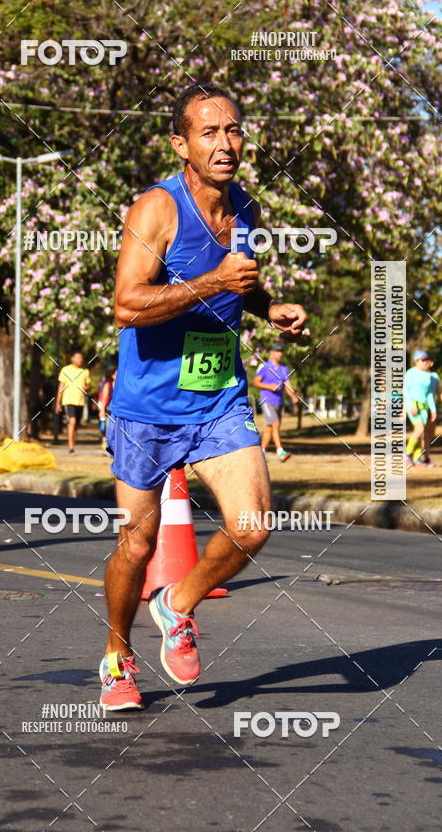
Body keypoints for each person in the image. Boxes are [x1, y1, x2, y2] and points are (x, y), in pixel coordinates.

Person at [99, 82, 307, 710]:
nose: (225, 143)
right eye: (209, 132)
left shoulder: (245, 208)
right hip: (146, 408)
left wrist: (270, 307)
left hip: (217, 396)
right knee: (138, 545)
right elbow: (126, 305)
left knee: (253, 524)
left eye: (234, 130)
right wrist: (212, 281)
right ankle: (117, 656)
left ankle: (177, 603)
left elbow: (241, 283)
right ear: (181, 144)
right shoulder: (155, 210)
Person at [252, 343, 298, 461]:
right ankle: (280, 451)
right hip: (267, 400)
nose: (280, 354)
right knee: (275, 424)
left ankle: (261, 452)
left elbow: (287, 384)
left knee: (270, 427)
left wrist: (293, 396)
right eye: (277, 351)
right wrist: (269, 386)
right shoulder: (265, 366)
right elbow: (255, 382)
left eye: (281, 351)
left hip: (279, 402)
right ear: (271, 353)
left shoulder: (284, 369)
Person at [55, 351, 91, 454]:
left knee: (75, 426)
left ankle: (73, 445)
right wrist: (58, 403)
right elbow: (61, 387)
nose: (80, 360)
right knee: (72, 422)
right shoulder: (65, 370)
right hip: (68, 401)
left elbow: (88, 386)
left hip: (80, 402)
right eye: (78, 357)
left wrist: (86, 387)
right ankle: (70, 447)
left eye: (81, 358)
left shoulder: (85, 371)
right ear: (72, 358)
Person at [404, 349, 436, 466]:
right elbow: (405, 391)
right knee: (420, 429)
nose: (425, 362)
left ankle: (416, 459)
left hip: (424, 409)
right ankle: (407, 454)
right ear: (416, 361)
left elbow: (429, 394)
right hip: (413, 407)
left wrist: (433, 409)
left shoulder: (428, 375)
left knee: (420, 433)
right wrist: (410, 406)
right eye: (423, 360)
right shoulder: (410, 373)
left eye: (426, 360)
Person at [98, 368, 115, 449]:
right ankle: (106, 442)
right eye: (115, 374)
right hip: (108, 409)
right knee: (107, 427)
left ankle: (110, 445)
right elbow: (104, 398)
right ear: (112, 375)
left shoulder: (120, 385)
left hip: (116, 409)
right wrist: (102, 410)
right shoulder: (108, 384)